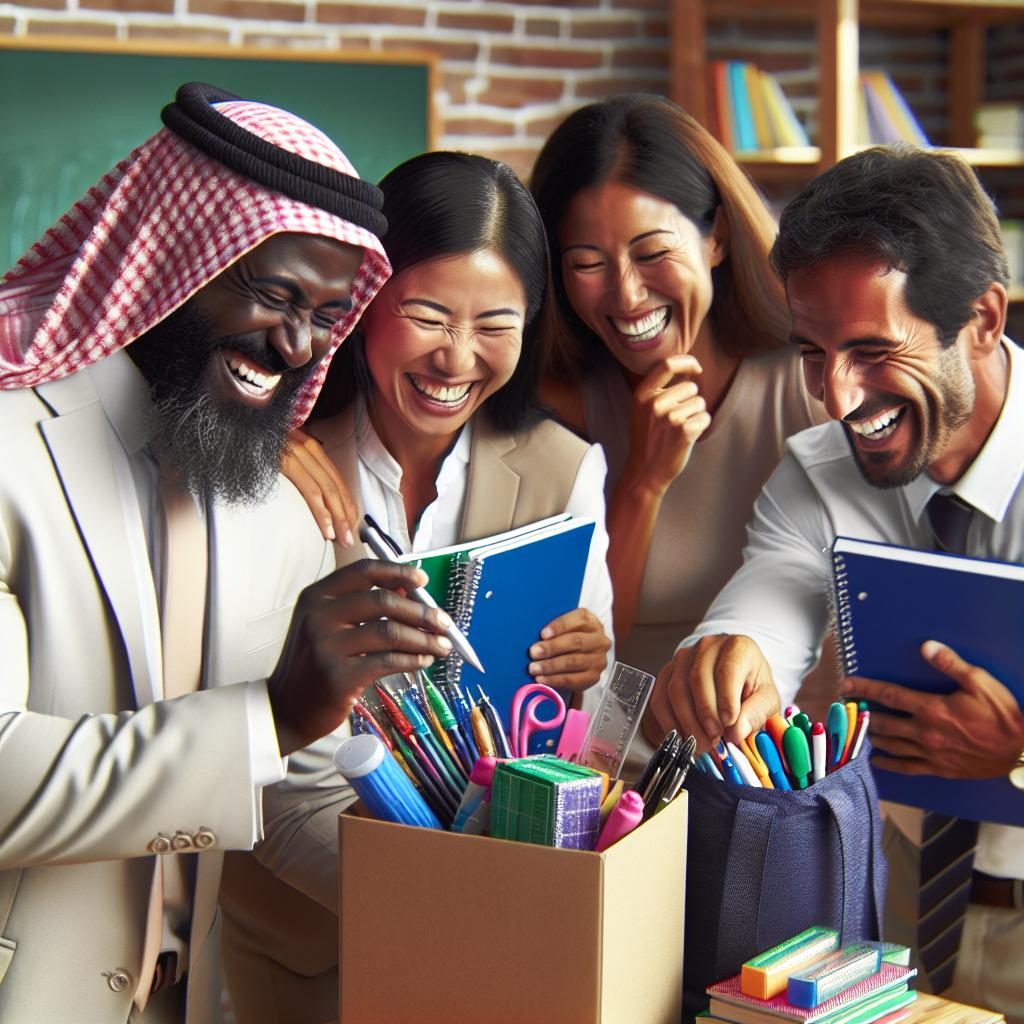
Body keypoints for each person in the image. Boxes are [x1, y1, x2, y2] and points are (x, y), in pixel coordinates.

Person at [0, 83, 454, 1024]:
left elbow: (280, 790)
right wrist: (275, 711)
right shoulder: (10, 445)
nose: (294, 345)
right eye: (274, 293)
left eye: (326, 316)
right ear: (168, 258)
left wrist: (477, 882)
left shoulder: (273, 490)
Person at [229, 150, 613, 1022]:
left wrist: (592, 657)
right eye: (427, 315)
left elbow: (573, 718)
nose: (457, 358)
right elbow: (245, 728)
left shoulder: (565, 469)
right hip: (304, 940)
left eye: (496, 324)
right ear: (362, 303)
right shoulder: (271, 453)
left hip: (497, 941)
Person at [650, 145, 1024, 1022]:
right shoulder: (822, 470)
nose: (836, 396)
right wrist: (729, 654)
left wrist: (1019, 755)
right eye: (813, 351)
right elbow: (774, 592)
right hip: (891, 917)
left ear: (981, 317)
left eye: (872, 349)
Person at [528, 93, 827, 687]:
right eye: (587, 263)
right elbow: (575, 648)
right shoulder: (556, 405)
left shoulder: (814, 379)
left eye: (653, 253)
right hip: (621, 762)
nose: (628, 294)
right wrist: (642, 481)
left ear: (715, 237)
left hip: (789, 765)